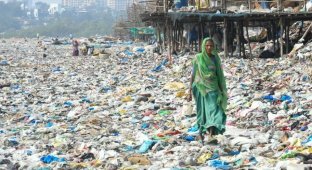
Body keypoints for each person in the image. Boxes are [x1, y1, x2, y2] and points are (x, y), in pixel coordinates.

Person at [188, 37, 227, 144]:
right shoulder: (198, 58)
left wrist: (222, 90)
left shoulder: (215, 58)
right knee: (203, 112)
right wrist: (189, 90)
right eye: (207, 45)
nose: (209, 47)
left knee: (216, 112)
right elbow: (193, 74)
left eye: (211, 45)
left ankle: (210, 134)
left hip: (214, 89)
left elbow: (219, 74)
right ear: (203, 46)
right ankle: (202, 133)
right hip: (201, 89)